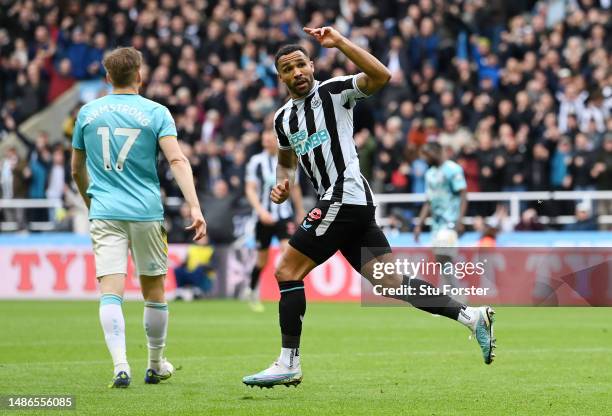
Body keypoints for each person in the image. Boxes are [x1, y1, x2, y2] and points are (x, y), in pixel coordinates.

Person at [242, 27, 496, 389]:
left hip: (344, 196)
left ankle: (288, 362)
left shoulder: (333, 92)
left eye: (301, 64)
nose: (296, 72)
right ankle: (472, 317)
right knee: (390, 281)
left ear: (312, 65)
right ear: (279, 76)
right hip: (347, 204)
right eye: (287, 68)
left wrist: (342, 42)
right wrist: (283, 183)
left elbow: (381, 76)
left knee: (285, 270)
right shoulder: (283, 119)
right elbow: (287, 161)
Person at [71, 47, 206, 388]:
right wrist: (194, 206)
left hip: (104, 211)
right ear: (139, 75)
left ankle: (120, 366)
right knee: (154, 291)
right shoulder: (156, 112)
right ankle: (156, 363)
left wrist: (92, 202)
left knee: (111, 293)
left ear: (107, 77)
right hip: (146, 211)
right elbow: (177, 160)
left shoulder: (87, 113)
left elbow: (76, 169)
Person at [243, 130, 304, 312]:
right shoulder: (256, 162)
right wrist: (261, 211)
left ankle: (287, 292)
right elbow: (250, 189)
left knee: (288, 253)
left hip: (284, 216)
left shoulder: (288, 160)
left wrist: (300, 210)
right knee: (262, 261)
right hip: (264, 218)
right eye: (265, 140)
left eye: (270, 140)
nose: (267, 143)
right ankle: (252, 290)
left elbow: (295, 188)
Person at [414, 142, 468, 296]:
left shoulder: (453, 169)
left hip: (450, 221)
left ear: (436, 152)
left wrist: (460, 220)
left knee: (444, 256)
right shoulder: (430, 173)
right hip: (436, 225)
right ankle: (456, 297)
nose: (425, 159)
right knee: (442, 260)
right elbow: (429, 201)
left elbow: (463, 195)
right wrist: (420, 223)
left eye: (427, 155)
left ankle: (453, 298)